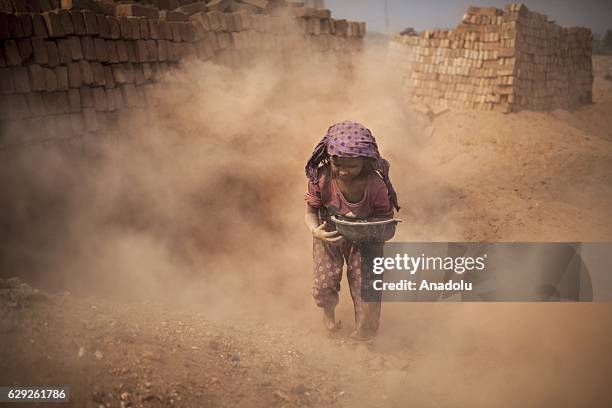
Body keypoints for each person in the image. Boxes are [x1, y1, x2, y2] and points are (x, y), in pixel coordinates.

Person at [304, 120, 400, 341]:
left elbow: (385, 219)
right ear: (330, 159)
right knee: (324, 283)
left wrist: (361, 221)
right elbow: (310, 212)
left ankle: (364, 335)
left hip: (365, 240)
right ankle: (328, 319)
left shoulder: (375, 186)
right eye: (338, 164)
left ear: (365, 162)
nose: (343, 171)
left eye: (351, 166)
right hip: (329, 234)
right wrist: (315, 231)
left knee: (366, 285)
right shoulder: (321, 178)